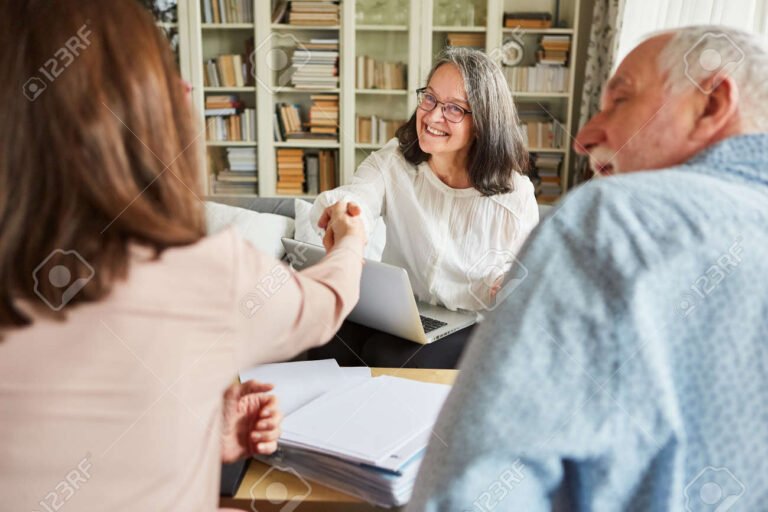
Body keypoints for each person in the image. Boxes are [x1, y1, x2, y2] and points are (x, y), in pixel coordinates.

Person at [0, 1, 366, 511]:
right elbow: (327, 299)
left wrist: (189, 433)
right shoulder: (205, 274)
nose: (188, 91)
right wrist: (351, 240)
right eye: (165, 73)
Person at [406, 25, 768, 511]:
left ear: (710, 103)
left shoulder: (612, 219)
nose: (586, 137)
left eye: (619, 102)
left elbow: (466, 496)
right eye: (431, 100)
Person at [309, 48, 539, 369]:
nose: (431, 117)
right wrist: (347, 218)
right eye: (429, 98)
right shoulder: (395, 161)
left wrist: (505, 285)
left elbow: (522, 281)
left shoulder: (514, 195)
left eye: (454, 109)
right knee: (321, 333)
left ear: (484, 121)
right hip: (400, 314)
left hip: (467, 325)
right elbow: (359, 196)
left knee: (387, 356)